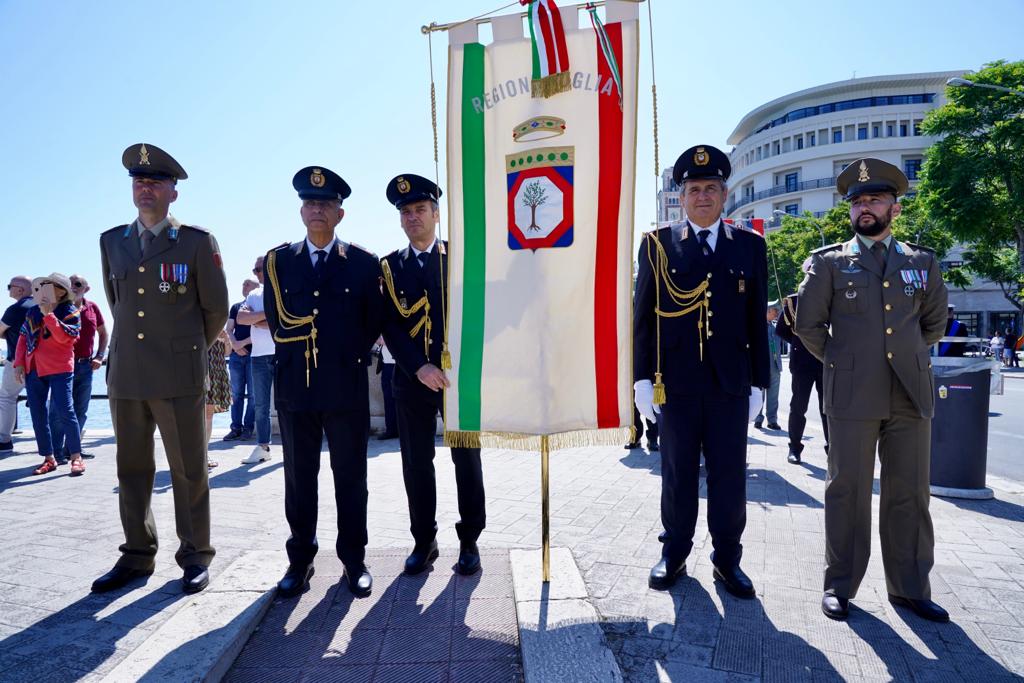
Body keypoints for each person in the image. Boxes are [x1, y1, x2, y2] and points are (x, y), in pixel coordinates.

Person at [795, 157, 949, 622]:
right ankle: (840, 585)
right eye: (858, 201)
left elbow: (935, 323)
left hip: (909, 393)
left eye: (875, 199)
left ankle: (910, 587)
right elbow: (808, 325)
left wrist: (902, 355)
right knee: (847, 490)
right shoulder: (829, 263)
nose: (866, 207)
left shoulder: (922, 261)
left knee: (909, 493)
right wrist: (846, 364)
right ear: (850, 211)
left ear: (894, 209)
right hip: (852, 393)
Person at [92, 143, 229, 595]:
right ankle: (136, 554)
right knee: (131, 468)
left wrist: (184, 351)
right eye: (138, 181)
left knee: (189, 468)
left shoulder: (194, 241)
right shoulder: (113, 241)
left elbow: (215, 310)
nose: (144, 188)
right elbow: (119, 306)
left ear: (174, 192)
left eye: (154, 182)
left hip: (177, 373)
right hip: (127, 373)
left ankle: (195, 555)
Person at [634, 145, 769, 596]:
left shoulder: (750, 246)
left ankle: (728, 559)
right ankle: (674, 552)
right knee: (677, 472)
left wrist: (760, 384)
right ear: (682, 196)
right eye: (694, 189)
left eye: (712, 188)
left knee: (730, 474)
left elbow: (755, 321)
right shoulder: (657, 244)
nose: (703, 196)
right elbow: (642, 317)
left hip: (731, 384)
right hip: (676, 383)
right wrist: (639, 379)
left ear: (725, 194)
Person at [264, 166, 382, 598]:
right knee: (299, 478)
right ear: (301, 211)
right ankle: (300, 560)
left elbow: (372, 322)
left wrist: (343, 355)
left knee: (351, 477)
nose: (317, 209)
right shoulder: (278, 262)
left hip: (345, 387)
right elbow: (279, 323)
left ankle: (354, 560)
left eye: (326, 204)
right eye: (311, 203)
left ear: (340, 214)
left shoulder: (364, 264)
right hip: (296, 389)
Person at [381, 174, 486, 577]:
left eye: (420, 210)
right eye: (405, 212)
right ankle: (424, 540)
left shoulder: (460, 258)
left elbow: (479, 313)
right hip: (411, 381)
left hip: (458, 380)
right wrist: (419, 367)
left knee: (467, 459)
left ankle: (470, 540)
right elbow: (390, 324)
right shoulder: (389, 267)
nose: (412, 217)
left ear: (436, 214)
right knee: (416, 463)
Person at [13, 273, 86, 476]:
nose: (43, 289)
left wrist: (49, 315)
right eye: (42, 285)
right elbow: (22, 337)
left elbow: (66, 338)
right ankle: (49, 458)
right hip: (34, 368)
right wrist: (18, 363)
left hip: (60, 368)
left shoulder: (71, 311)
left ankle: (76, 457)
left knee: (66, 412)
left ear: (61, 291)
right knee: (38, 414)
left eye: (49, 286)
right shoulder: (32, 312)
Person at [49, 274, 107, 463]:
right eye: (70, 283)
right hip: (61, 365)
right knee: (58, 411)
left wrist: (99, 356)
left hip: (85, 366)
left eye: (78, 284)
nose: (73, 286)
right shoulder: (56, 307)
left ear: (86, 289)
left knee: (80, 409)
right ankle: (56, 454)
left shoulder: (92, 307)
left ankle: (72, 450)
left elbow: (103, 333)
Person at [775, 288, 829, 464]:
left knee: (828, 408)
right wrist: (800, 343)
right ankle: (794, 448)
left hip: (826, 360)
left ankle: (832, 449)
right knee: (798, 406)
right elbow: (781, 329)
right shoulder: (794, 301)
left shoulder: (831, 296)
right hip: (802, 362)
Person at [236, 258, 275, 463]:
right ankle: (263, 447)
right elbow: (241, 318)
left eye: (259, 269)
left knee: (288, 403)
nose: (257, 273)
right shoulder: (253, 294)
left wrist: (258, 320)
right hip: (258, 356)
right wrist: (267, 318)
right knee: (260, 405)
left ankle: (294, 445)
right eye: (255, 270)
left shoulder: (283, 291)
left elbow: (282, 322)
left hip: (282, 354)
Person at [0, 276, 33, 454]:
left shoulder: (14, 309)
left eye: (9, 286)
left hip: (16, 362)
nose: (8, 290)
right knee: (47, 400)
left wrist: (9, 335)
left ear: (20, 289)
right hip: (41, 363)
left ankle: (4, 440)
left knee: (6, 397)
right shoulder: (41, 306)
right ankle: (54, 441)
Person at [224, 279, 258, 441]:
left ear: (256, 288)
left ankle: (248, 428)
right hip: (236, 356)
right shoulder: (236, 307)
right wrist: (235, 346)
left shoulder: (259, 307)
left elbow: (263, 331)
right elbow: (229, 329)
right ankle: (235, 428)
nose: (243, 286)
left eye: (247, 284)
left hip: (254, 355)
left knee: (253, 395)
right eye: (243, 284)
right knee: (236, 394)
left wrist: (242, 343)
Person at [205, 330, 232, 467]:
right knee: (196, 416)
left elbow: (227, 353)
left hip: (217, 370)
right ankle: (195, 454)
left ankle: (204, 454)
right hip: (202, 371)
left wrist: (226, 339)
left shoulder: (220, 327)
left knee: (208, 414)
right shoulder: (199, 327)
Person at [754, 302, 783, 430]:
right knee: (759, 395)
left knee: (773, 396)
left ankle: (772, 420)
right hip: (762, 366)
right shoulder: (757, 327)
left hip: (775, 367)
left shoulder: (776, 326)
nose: (777, 312)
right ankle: (758, 419)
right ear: (767, 311)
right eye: (774, 310)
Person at [375, 337, 398, 440]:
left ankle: (402, 430)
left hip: (399, 363)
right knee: (388, 399)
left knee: (402, 400)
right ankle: (391, 429)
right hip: (387, 364)